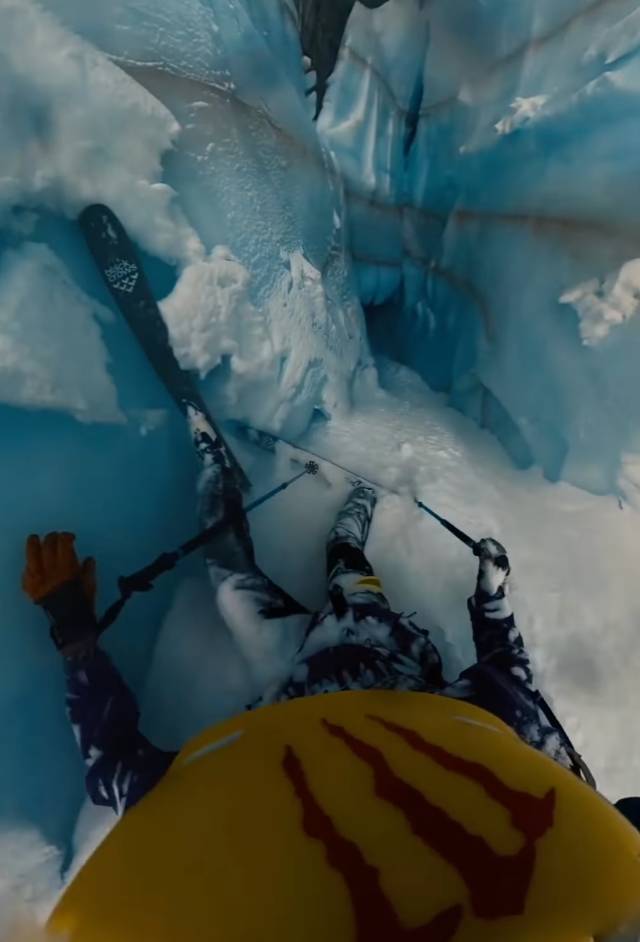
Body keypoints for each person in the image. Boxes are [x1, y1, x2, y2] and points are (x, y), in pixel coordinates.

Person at [22, 417, 639, 827]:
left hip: (305, 667)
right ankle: (353, 513)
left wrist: (76, 637)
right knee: (340, 569)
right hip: (378, 645)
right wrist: (492, 600)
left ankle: (239, 469)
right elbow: (509, 674)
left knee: (235, 578)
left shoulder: (273, 840)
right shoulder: (535, 778)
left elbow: (123, 780)